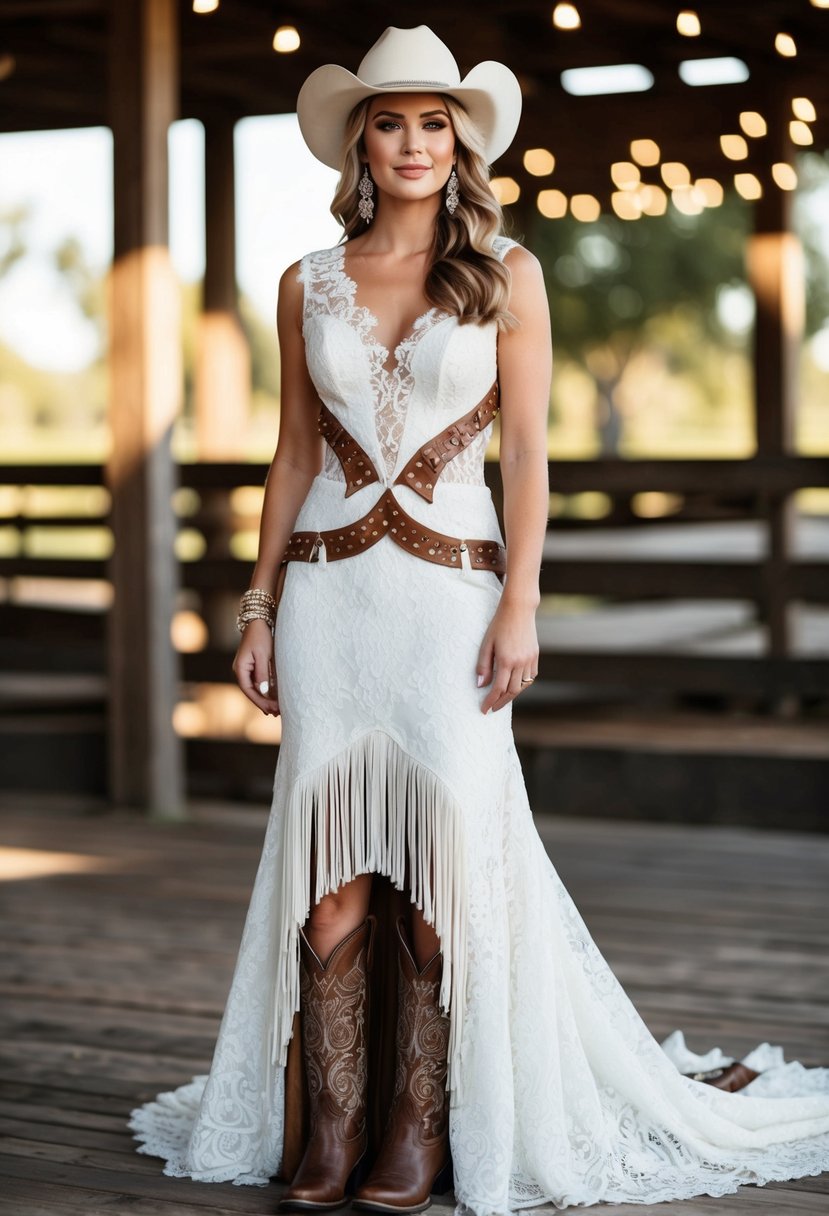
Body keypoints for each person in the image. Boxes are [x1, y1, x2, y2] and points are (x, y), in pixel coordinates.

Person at [130, 24, 829, 1216]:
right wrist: (258, 606)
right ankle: (334, 1125)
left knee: (443, 868)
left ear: (461, 144)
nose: (412, 142)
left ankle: (420, 1129)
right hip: (330, 603)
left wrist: (521, 601)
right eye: (391, 120)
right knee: (329, 875)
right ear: (361, 139)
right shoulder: (309, 278)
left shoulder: (509, 272)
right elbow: (293, 456)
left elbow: (527, 464)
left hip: (452, 601)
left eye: (433, 122)